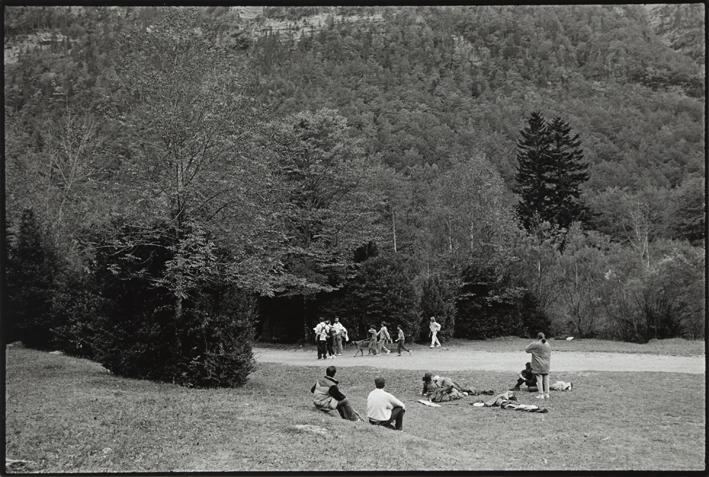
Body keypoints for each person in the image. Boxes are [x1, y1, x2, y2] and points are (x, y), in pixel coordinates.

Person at [525, 332, 552, 399]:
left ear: (538, 337)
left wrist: (532, 349)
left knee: (539, 379)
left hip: (538, 365)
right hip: (547, 364)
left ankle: (541, 394)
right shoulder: (548, 344)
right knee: (546, 379)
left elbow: (526, 349)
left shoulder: (536, 344)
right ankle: (547, 394)